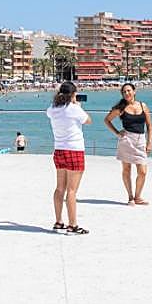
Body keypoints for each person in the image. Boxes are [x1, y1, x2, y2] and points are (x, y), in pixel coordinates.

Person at [46, 81, 91, 234]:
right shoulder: (74, 109)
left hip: (59, 150)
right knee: (72, 191)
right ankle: (73, 224)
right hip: (74, 150)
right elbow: (88, 121)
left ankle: (59, 221)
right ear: (73, 94)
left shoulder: (52, 109)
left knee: (60, 188)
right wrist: (77, 105)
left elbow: (56, 107)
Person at [104, 83, 152, 206]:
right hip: (126, 140)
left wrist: (149, 142)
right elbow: (107, 120)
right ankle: (130, 197)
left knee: (143, 171)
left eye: (129, 91)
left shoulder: (143, 105)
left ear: (134, 91)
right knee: (127, 169)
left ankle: (138, 196)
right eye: (124, 92)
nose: (127, 93)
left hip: (141, 140)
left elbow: (149, 125)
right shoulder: (121, 108)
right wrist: (117, 133)